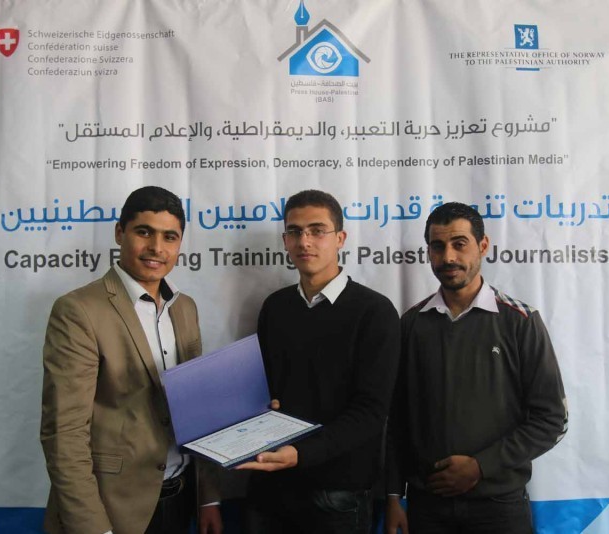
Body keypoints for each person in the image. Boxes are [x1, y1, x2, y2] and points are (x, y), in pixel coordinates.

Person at [40, 186, 222, 534]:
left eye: (169, 237)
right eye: (144, 232)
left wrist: (208, 497)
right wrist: (95, 529)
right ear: (119, 233)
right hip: (112, 509)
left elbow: (198, 410)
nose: (157, 248)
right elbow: (64, 434)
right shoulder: (79, 311)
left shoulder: (185, 308)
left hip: (182, 498)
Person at [385, 202, 568, 534]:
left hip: (499, 507)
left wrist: (481, 466)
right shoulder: (411, 324)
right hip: (427, 508)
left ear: (483, 246)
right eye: (438, 246)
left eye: (459, 244)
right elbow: (396, 419)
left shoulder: (520, 321)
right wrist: (394, 495)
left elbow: (552, 419)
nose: (448, 257)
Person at [237, 189, 401, 534]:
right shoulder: (275, 307)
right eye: (294, 232)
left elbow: (371, 412)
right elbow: (263, 391)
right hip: (270, 487)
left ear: (340, 238)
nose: (304, 241)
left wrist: (301, 453)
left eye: (317, 230)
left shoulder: (374, 312)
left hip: (337, 494)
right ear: (285, 240)